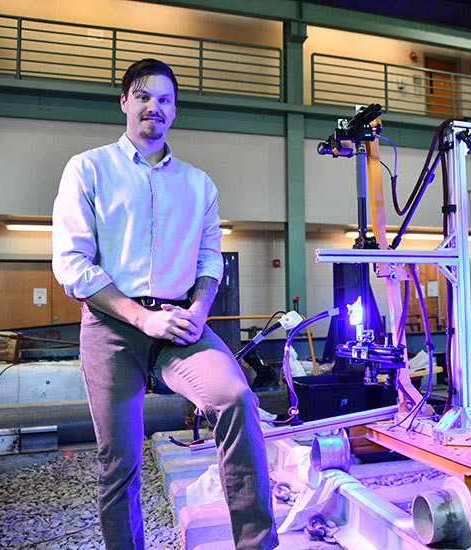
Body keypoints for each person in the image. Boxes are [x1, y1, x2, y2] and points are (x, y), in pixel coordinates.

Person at [52, 58, 278, 550]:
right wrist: (139, 317)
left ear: (175, 110)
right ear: (125, 103)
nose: (154, 106)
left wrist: (197, 311)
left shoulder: (198, 184)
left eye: (165, 99)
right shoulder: (88, 169)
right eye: (144, 96)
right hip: (114, 324)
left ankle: (257, 544)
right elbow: (72, 263)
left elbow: (209, 259)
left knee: (236, 399)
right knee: (119, 460)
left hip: (180, 320)